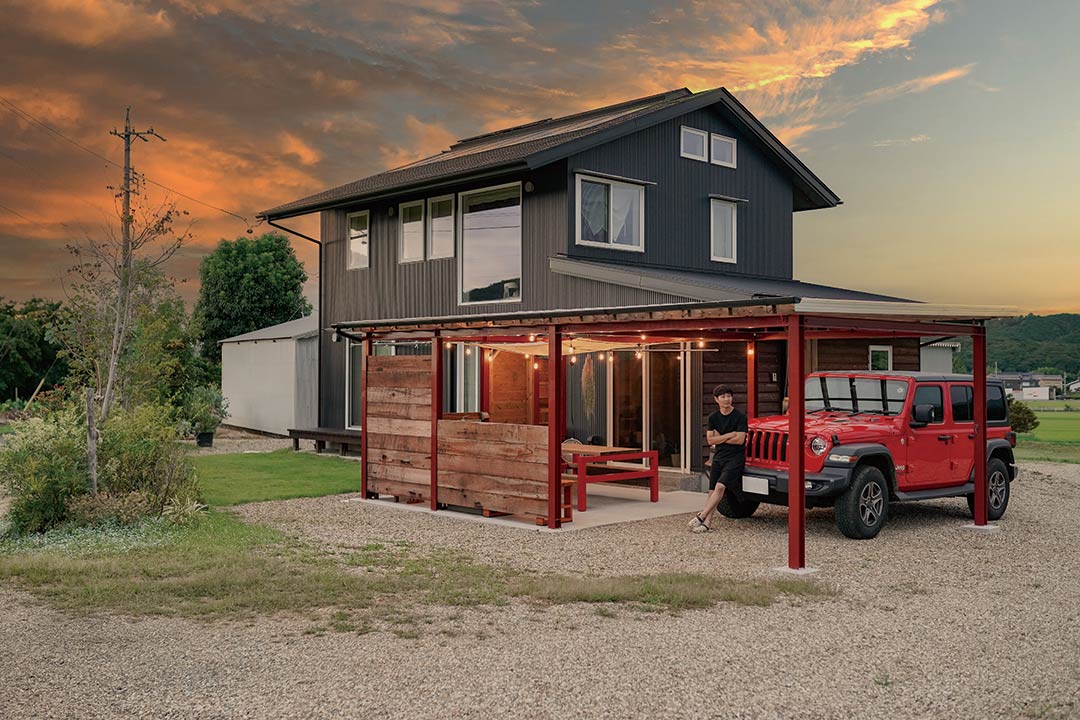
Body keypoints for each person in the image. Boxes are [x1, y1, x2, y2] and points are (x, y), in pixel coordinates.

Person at [689, 384, 747, 533]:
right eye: (723, 397)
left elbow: (740, 440)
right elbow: (710, 440)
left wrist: (719, 437)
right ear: (716, 399)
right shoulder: (713, 417)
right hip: (719, 457)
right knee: (711, 491)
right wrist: (729, 435)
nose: (727, 399)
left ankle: (701, 516)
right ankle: (707, 523)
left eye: (729, 396)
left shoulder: (740, 417)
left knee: (720, 487)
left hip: (735, 457)